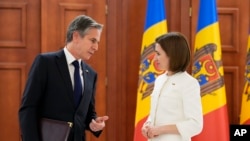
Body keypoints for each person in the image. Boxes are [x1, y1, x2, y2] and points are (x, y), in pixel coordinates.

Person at [18, 15, 109, 141]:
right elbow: (28, 109)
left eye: (97, 42)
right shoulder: (45, 63)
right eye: (92, 40)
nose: (96, 47)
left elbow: (88, 113)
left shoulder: (91, 74)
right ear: (76, 36)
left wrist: (94, 124)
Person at [141, 32, 203, 141]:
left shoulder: (189, 83)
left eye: (158, 54)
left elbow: (195, 124)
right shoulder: (159, 80)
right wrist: (148, 124)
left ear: (172, 55)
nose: (155, 58)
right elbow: (155, 113)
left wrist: (161, 130)